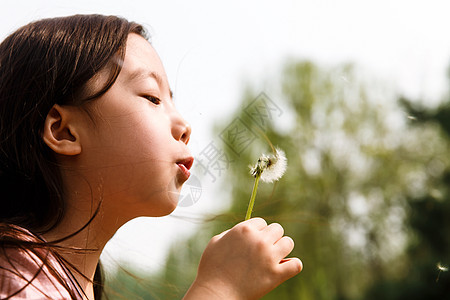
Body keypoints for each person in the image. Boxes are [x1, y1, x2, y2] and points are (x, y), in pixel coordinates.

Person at [0, 14, 302, 299]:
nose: (184, 126)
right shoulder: (15, 279)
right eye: (152, 97)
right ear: (64, 131)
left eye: (171, 101)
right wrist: (219, 289)